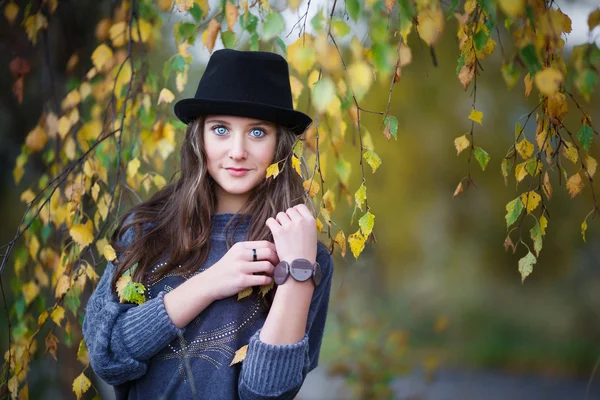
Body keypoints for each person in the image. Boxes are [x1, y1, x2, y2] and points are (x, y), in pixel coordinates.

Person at [82, 49, 334, 400]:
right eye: (220, 129)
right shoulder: (145, 233)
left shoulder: (304, 254)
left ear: (280, 145)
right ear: (199, 137)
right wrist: (211, 282)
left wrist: (297, 273)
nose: (237, 150)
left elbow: (266, 394)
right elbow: (108, 358)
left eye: (258, 132)